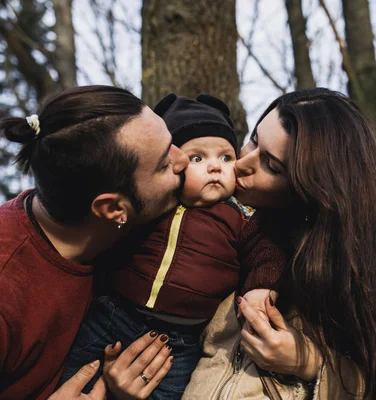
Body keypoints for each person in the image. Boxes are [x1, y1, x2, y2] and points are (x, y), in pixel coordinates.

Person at [183, 88, 376, 399]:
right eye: (254, 140)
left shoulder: (348, 272)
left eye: (272, 165)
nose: (243, 163)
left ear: (311, 187)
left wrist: (308, 362)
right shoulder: (204, 220)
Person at [59, 93, 290, 398]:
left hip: (180, 340)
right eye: (198, 158)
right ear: (174, 163)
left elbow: (267, 252)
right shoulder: (156, 205)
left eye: (225, 157)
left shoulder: (238, 217)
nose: (215, 167)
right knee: (76, 376)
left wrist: (261, 287)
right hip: (115, 314)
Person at [0, 85, 189, 399]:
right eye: (164, 164)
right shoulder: (7, 288)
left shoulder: (127, 229)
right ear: (113, 208)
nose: (183, 160)